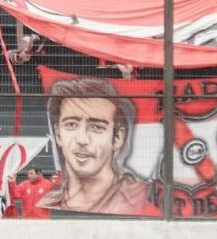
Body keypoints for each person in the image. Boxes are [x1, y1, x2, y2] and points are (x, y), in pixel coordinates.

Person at [38, 77, 153, 216]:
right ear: (57, 134)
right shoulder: (47, 203)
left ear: (117, 138)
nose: (82, 139)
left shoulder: (143, 197)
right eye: (71, 124)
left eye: (96, 127)